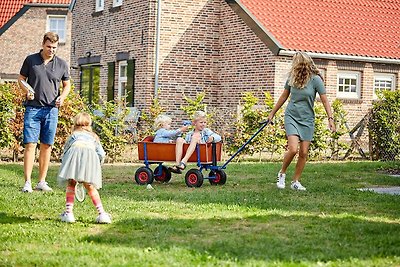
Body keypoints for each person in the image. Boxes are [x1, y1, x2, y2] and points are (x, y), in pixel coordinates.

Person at [267, 52, 336, 191]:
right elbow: (283, 97)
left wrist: (330, 118)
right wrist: (272, 113)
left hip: (307, 119)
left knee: (304, 152)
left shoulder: (316, 80)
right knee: (293, 149)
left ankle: (295, 181)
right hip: (291, 116)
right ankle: (282, 173)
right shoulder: (291, 79)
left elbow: (325, 100)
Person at [18, 32, 71, 193]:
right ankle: (27, 182)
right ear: (43, 44)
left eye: (54, 47)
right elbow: (21, 79)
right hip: (33, 109)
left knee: (47, 146)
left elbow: (67, 85)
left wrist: (62, 97)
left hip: (51, 110)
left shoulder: (62, 64)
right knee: (30, 144)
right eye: (49, 47)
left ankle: (41, 181)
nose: (51, 50)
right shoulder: (31, 60)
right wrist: (26, 90)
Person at [58, 112, 111, 224]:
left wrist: (64, 161)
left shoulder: (73, 136)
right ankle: (102, 214)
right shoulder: (94, 137)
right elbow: (101, 153)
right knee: (90, 186)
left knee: (71, 182)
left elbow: (66, 150)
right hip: (90, 157)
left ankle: (69, 213)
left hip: (74, 156)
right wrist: (97, 165)